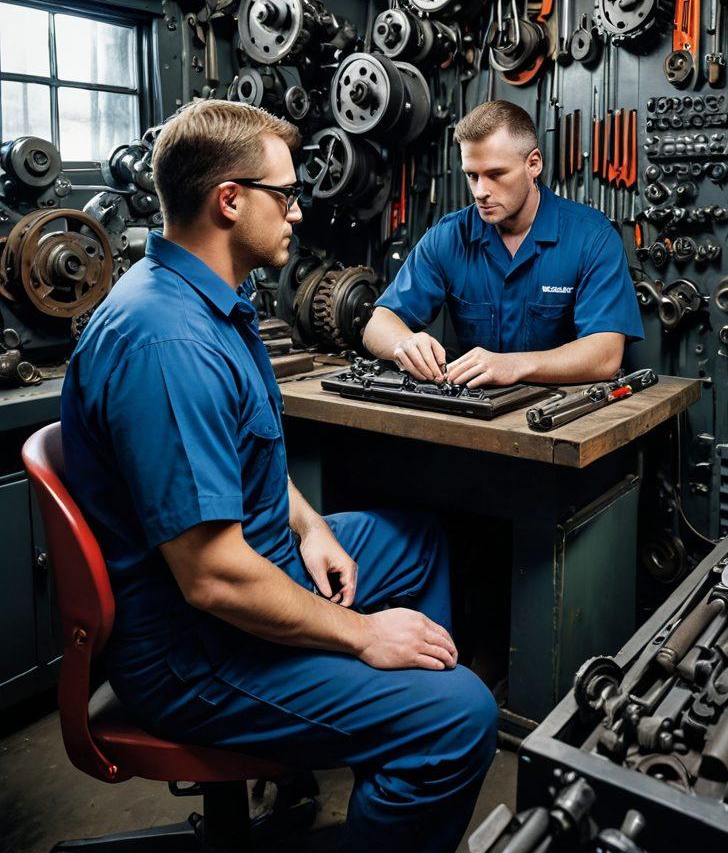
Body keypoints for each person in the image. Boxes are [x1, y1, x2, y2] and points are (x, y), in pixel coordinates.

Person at [60, 100, 496, 853]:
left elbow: (242, 460)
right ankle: (411, 743)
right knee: (460, 717)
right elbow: (213, 580)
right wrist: (362, 637)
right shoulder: (168, 343)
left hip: (250, 564)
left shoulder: (211, 303)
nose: (296, 213)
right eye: (285, 195)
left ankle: (384, 760)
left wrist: (312, 527)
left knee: (416, 541)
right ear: (229, 201)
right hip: (194, 651)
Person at [364, 99, 643, 386]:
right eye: (472, 176)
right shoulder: (449, 236)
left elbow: (605, 355)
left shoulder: (592, 238)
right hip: (477, 415)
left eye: (496, 174)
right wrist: (404, 344)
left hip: (568, 418)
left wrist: (514, 365)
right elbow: (378, 323)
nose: (481, 191)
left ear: (533, 164)